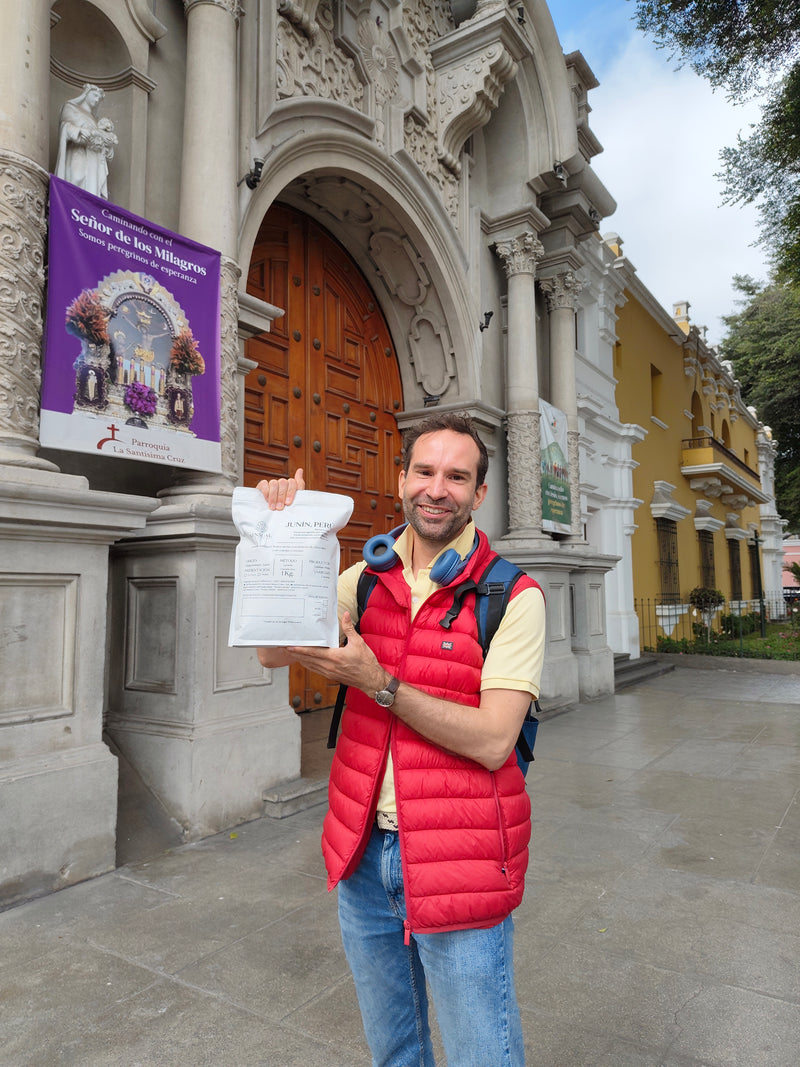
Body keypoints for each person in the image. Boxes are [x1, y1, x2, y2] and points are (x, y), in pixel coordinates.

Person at [257, 412, 546, 1066]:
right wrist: (286, 537)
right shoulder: (364, 579)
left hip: (460, 857)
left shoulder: (513, 596)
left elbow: (497, 740)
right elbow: (274, 652)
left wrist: (379, 682)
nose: (436, 488)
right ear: (401, 478)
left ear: (478, 494)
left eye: (456, 476)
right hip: (364, 857)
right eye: (424, 470)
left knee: (483, 1054)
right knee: (395, 1051)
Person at [54, 84, 118, 198]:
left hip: (94, 160)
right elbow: (65, 127)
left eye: (99, 98)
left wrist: (107, 146)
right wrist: (80, 131)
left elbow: (101, 142)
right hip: (77, 153)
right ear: (86, 94)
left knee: (92, 190)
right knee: (76, 178)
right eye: (94, 95)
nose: (97, 99)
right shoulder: (70, 107)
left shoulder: (96, 120)